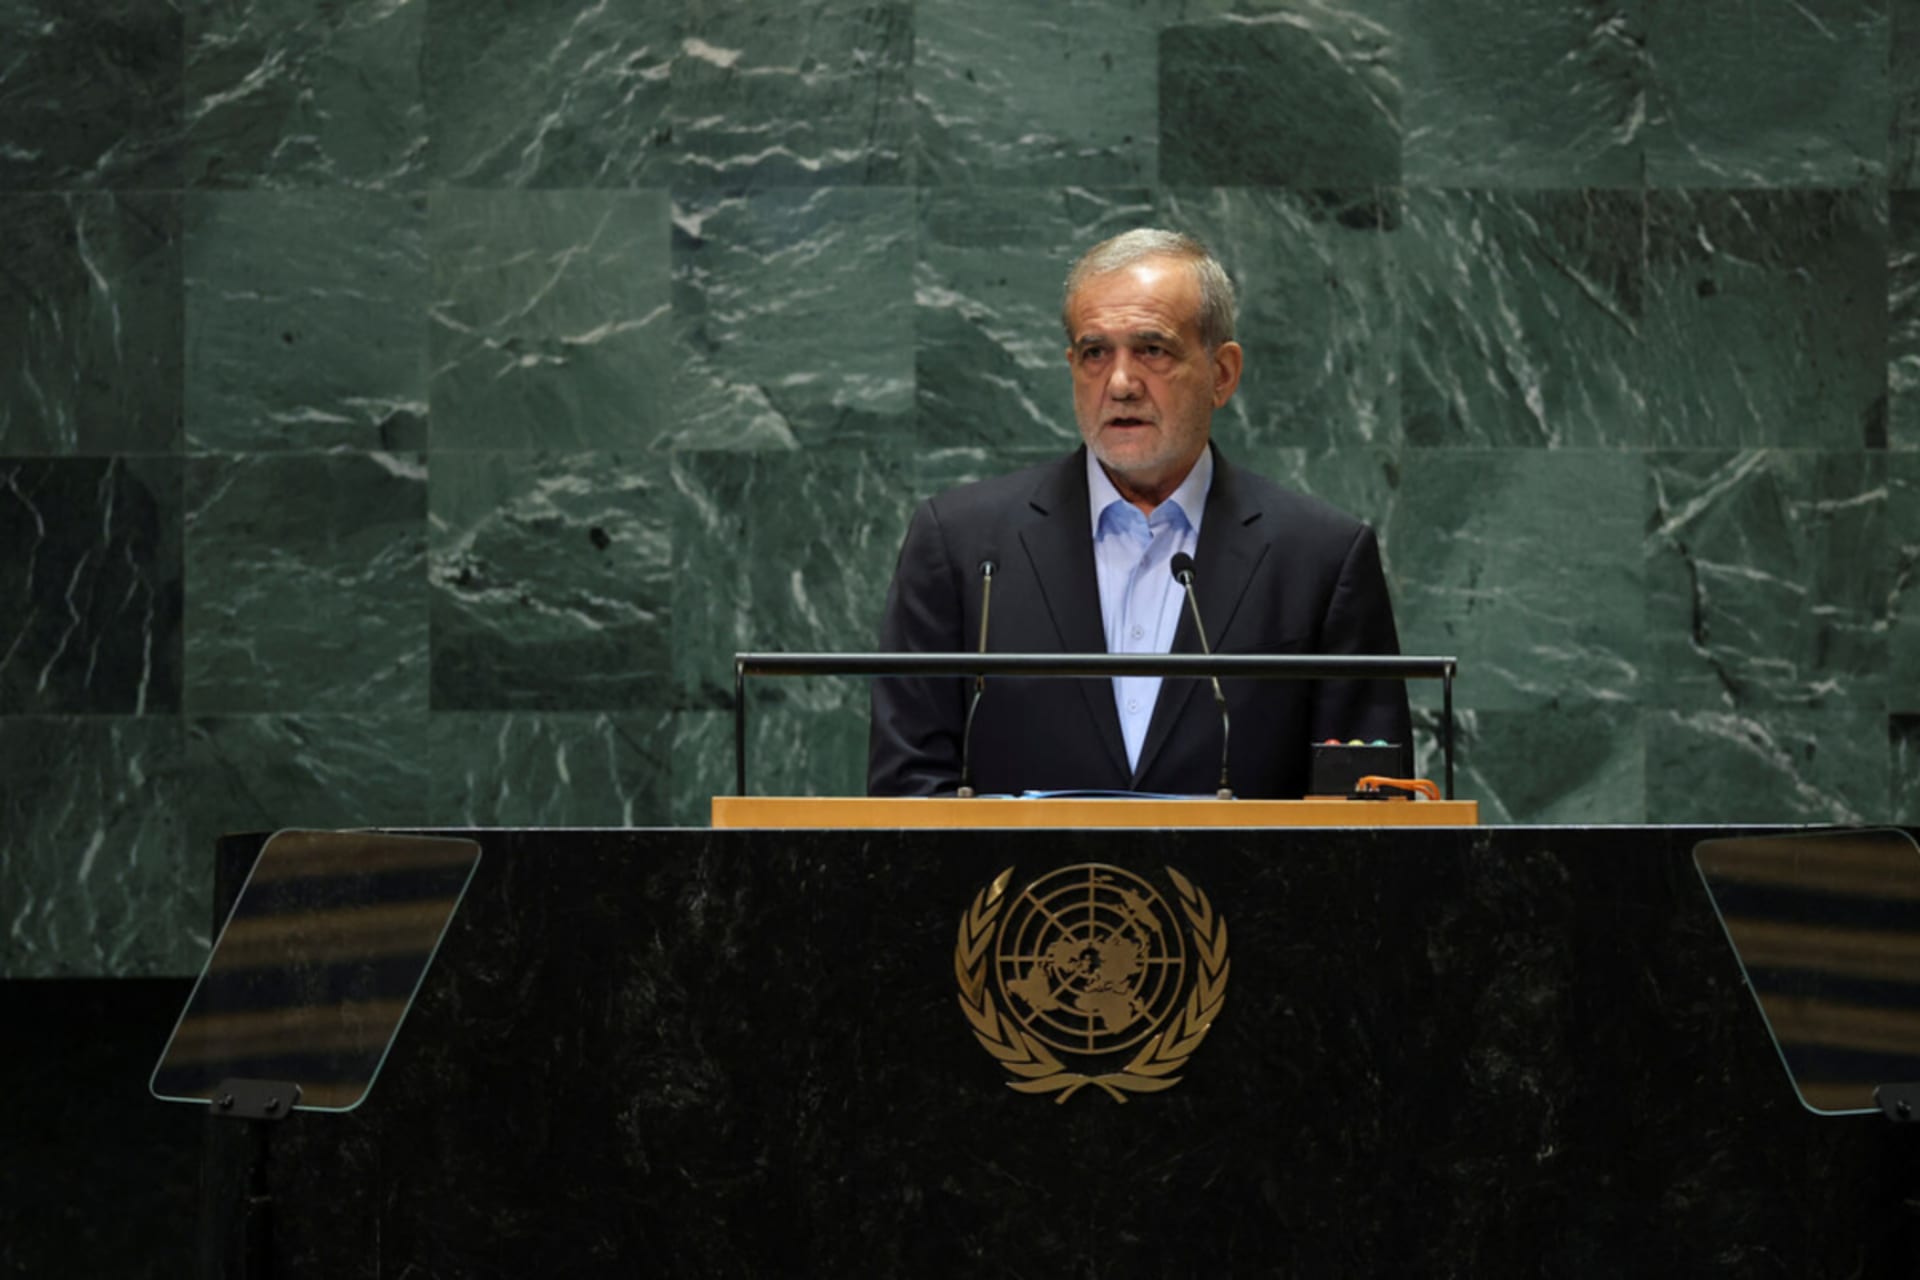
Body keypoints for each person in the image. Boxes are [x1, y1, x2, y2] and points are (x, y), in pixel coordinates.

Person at [867, 228, 1411, 798]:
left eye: (1152, 349)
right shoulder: (961, 544)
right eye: (1095, 353)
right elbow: (906, 792)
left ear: (1222, 374)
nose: (1121, 384)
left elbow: (1367, 816)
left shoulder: (1320, 558)